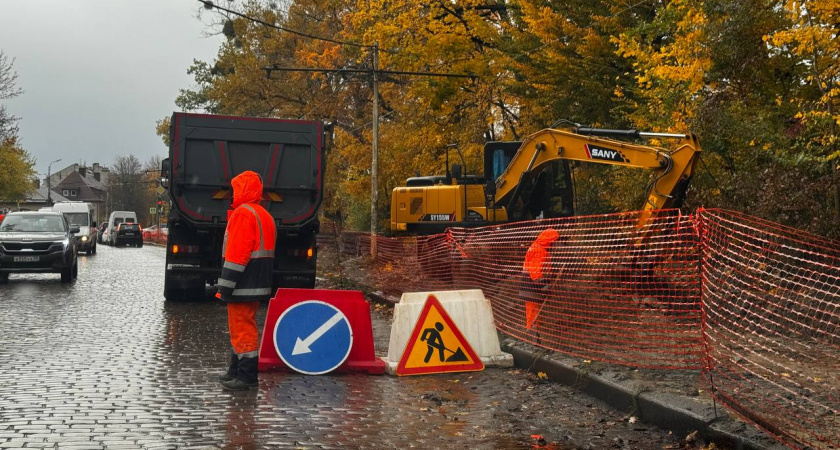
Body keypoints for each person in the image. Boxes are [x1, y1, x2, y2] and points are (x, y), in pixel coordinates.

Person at [215, 170, 277, 391]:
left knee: (242, 328)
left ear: (241, 189)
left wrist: (226, 285)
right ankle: (235, 370)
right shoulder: (264, 214)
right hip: (257, 282)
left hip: (243, 282)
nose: (232, 194)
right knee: (240, 326)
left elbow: (237, 255)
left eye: (235, 189)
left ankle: (246, 376)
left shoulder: (243, 213)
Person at [522, 228, 560, 332]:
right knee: (533, 311)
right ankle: (533, 334)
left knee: (533, 310)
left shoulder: (538, 247)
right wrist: (544, 285)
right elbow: (535, 272)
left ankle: (535, 332)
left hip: (529, 283)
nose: (555, 244)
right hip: (531, 284)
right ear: (550, 240)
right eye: (554, 241)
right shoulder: (539, 250)